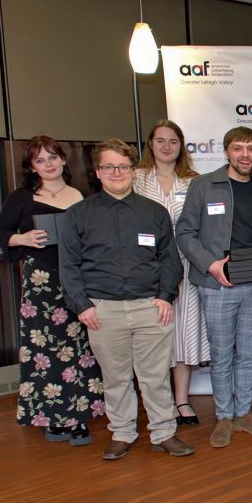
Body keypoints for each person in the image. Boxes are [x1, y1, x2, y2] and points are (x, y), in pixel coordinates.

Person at [59, 139, 193, 460]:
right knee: (115, 378)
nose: (116, 172)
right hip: (102, 310)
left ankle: (164, 432)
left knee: (155, 377)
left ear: (134, 170)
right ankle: (122, 432)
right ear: (97, 172)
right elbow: (68, 266)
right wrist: (82, 306)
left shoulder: (154, 212)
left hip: (151, 308)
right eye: (109, 167)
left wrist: (165, 297)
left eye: (123, 166)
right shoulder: (78, 215)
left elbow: (170, 261)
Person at [0, 135, 105, 446]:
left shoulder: (80, 196)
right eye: (40, 160)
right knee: (44, 351)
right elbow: (0, 234)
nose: (48, 164)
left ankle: (79, 416)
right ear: (32, 166)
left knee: (81, 349)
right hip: (42, 283)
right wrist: (23, 238)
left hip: (78, 280)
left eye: (53, 157)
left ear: (63, 159)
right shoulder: (21, 197)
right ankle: (52, 417)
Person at [176, 127, 252, 448]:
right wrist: (210, 264)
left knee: (248, 355)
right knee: (221, 356)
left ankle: (243, 413)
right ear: (226, 152)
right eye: (238, 148)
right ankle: (224, 417)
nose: (245, 155)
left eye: (251, 149)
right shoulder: (204, 185)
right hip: (217, 285)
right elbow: (185, 233)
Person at [133, 119, 208, 425]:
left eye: (173, 141)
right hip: (146, 266)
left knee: (183, 333)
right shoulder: (136, 179)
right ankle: (159, 401)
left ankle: (181, 400)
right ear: (151, 144)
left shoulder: (193, 182)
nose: (166, 146)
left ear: (181, 146)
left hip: (187, 265)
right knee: (153, 334)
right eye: (160, 140)